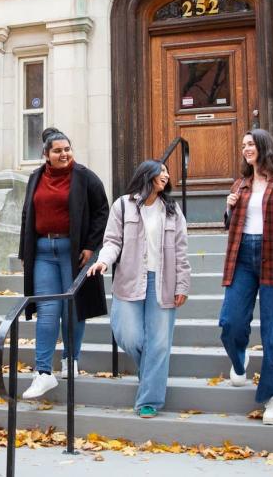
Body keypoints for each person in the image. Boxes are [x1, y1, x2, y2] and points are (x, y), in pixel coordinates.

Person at [88, 160, 191, 419]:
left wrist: (182, 284)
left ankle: (149, 400)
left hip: (164, 280)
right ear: (147, 174)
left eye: (168, 171)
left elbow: (181, 250)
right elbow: (112, 241)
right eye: (161, 171)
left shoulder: (172, 210)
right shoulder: (122, 205)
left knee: (158, 343)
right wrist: (103, 261)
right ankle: (151, 374)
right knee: (129, 336)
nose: (166, 175)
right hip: (130, 278)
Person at [18, 127, 109, 399]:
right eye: (57, 150)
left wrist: (91, 247)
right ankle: (43, 372)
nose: (64, 154)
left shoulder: (85, 177)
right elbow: (27, 215)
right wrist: (26, 252)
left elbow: (102, 212)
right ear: (45, 154)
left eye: (67, 149)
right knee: (48, 310)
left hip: (73, 252)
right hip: (43, 252)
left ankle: (71, 359)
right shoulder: (36, 178)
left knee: (72, 308)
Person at [219, 129, 273, 426]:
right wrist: (228, 209)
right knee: (230, 322)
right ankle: (239, 361)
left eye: (250, 144)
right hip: (242, 256)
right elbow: (232, 225)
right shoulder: (241, 184)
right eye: (243, 145)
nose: (245, 149)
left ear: (264, 146)